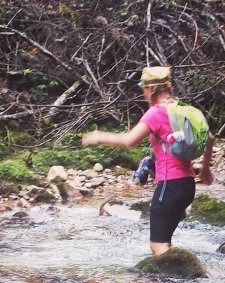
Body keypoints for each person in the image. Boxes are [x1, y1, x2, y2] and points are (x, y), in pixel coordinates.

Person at [82, 66, 214, 256]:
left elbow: (129, 141)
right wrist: (205, 171)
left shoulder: (156, 113)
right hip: (187, 185)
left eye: (143, 88)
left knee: (158, 246)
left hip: (170, 185)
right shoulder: (182, 110)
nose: (143, 93)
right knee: (165, 242)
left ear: (151, 89)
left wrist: (98, 136)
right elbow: (209, 136)